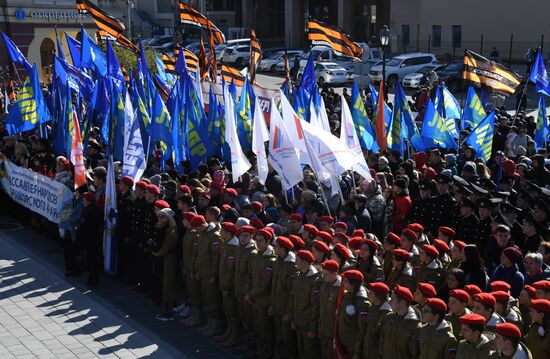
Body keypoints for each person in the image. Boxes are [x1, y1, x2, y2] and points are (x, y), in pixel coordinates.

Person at [380, 285, 421, 358]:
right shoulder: (388, 317)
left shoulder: (415, 326)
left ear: (402, 303)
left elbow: (415, 354)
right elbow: (382, 342)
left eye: (392, 299)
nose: (389, 301)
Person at [152, 208, 178, 321]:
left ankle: (168, 311)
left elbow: (167, 245)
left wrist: (157, 253)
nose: (159, 219)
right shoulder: (161, 227)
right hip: (162, 257)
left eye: (162, 217)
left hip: (168, 258)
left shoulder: (171, 229)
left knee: (168, 284)